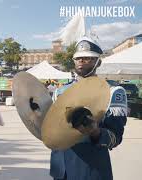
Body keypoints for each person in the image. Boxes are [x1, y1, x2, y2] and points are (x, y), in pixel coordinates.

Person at [32, 37, 127, 180]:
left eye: (88, 58)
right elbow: (52, 127)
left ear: (98, 62)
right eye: (78, 58)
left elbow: (116, 137)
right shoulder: (60, 91)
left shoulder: (113, 91)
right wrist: (36, 113)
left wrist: (95, 132)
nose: (81, 61)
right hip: (60, 169)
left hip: (90, 169)